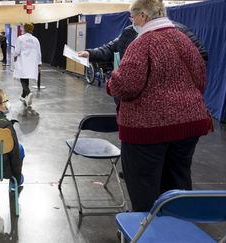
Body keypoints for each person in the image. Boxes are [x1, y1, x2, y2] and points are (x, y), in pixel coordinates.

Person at [106, 0, 211, 212]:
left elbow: (127, 84)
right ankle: (179, 230)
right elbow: (200, 77)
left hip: (148, 130)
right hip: (189, 124)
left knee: (144, 187)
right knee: (178, 184)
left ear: (143, 16)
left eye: (133, 17)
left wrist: (111, 83)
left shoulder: (143, 42)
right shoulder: (183, 39)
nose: (132, 22)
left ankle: (147, 232)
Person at [78, 19, 208, 64]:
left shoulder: (177, 31)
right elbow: (111, 48)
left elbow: (201, 56)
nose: (131, 20)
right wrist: (90, 54)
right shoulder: (130, 32)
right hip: (130, 101)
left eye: (133, 16)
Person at [13, 23, 42, 108]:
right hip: (32, 62)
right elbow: (39, 52)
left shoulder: (20, 38)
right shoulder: (35, 39)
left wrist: (14, 56)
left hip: (23, 61)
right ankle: (23, 96)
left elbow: (17, 51)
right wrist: (39, 63)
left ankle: (29, 93)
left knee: (22, 79)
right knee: (26, 79)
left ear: (24, 29)